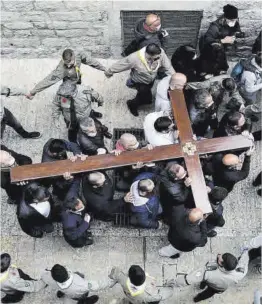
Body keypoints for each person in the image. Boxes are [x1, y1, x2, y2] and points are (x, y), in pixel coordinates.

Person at [105, 43, 175, 116]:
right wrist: (109, 72)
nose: (154, 60)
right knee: (143, 96)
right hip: (139, 81)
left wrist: (175, 77)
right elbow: (121, 64)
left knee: (146, 96)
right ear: (147, 54)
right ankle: (132, 104)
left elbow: (168, 67)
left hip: (151, 79)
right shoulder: (134, 58)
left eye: (157, 58)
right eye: (151, 58)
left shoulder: (160, 53)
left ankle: (145, 99)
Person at [172, 249, 250, 302]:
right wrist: (246, 251)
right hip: (220, 288)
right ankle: (197, 299)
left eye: (220, 258)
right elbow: (244, 261)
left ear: (222, 265)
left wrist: (174, 283)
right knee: (208, 294)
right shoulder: (240, 273)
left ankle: (201, 288)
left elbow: (188, 279)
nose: (219, 255)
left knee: (204, 281)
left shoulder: (209, 272)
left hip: (210, 280)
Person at [26, 49, 106, 99]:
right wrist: (33, 92)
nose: (68, 65)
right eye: (66, 63)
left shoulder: (79, 55)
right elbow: (48, 81)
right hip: (68, 87)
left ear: (74, 57)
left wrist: (105, 69)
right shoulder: (61, 69)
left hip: (78, 81)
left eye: (70, 62)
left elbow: (91, 62)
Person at [201, 4, 242, 75]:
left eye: (235, 20)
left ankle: (223, 69)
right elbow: (207, 40)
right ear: (225, 18)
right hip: (212, 49)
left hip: (224, 48)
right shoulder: (215, 26)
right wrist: (223, 41)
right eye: (232, 20)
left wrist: (235, 35)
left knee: (223, 60)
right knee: (215, 62)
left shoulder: (234, 22)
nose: (234, 22)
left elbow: (238, 30)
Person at [109, 264, 174, 304]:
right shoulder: (150, 293)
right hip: (140, 301)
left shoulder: (122, 277)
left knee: (129, 300)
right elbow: (163, 295)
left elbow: (113, 273)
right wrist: (170, 287)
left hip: (129, 295)